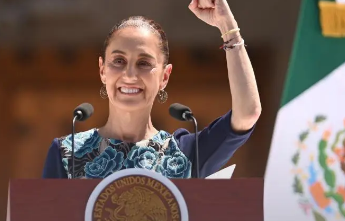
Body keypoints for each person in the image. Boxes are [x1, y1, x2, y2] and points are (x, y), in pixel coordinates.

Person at [42, 0, 261, 179]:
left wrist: (228, 27)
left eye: (144, 63)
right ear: (102, 70)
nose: (129, 75)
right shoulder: (66, 153)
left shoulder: (184, 154)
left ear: (164, 76)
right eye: (118, 60)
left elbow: (247, 113)